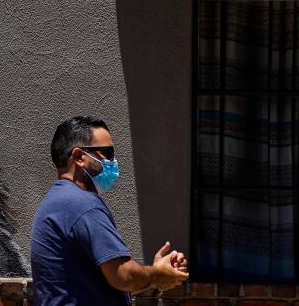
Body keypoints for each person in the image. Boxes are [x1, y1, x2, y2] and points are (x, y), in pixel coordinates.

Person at [30, 116, 189, 306]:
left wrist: (155, 271)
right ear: (80, 157)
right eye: (107, 153)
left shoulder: (56, 202)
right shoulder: (84, 205)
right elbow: (124, 276)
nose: (113, 161)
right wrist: (157, 275)